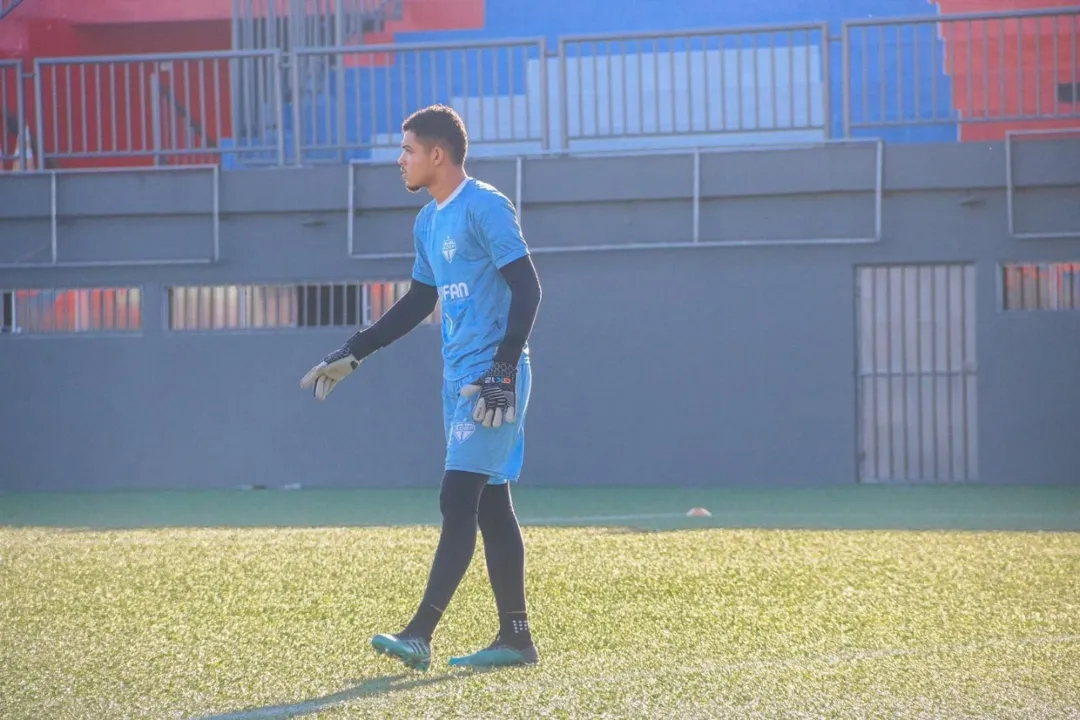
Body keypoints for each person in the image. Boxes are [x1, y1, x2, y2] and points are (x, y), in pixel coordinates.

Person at [300, 104, 543, 671]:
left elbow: (529, 289)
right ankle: (516, 638)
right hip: (458, 378)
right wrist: (353, 352)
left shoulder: (486, 205)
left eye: (407, 149)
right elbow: (418, 301)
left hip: (492, 379)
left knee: (457, 497)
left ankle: (419, 633)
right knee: (489, 504)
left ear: (437, 154)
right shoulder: (428, 221)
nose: (399, 160)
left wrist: (503, 370)